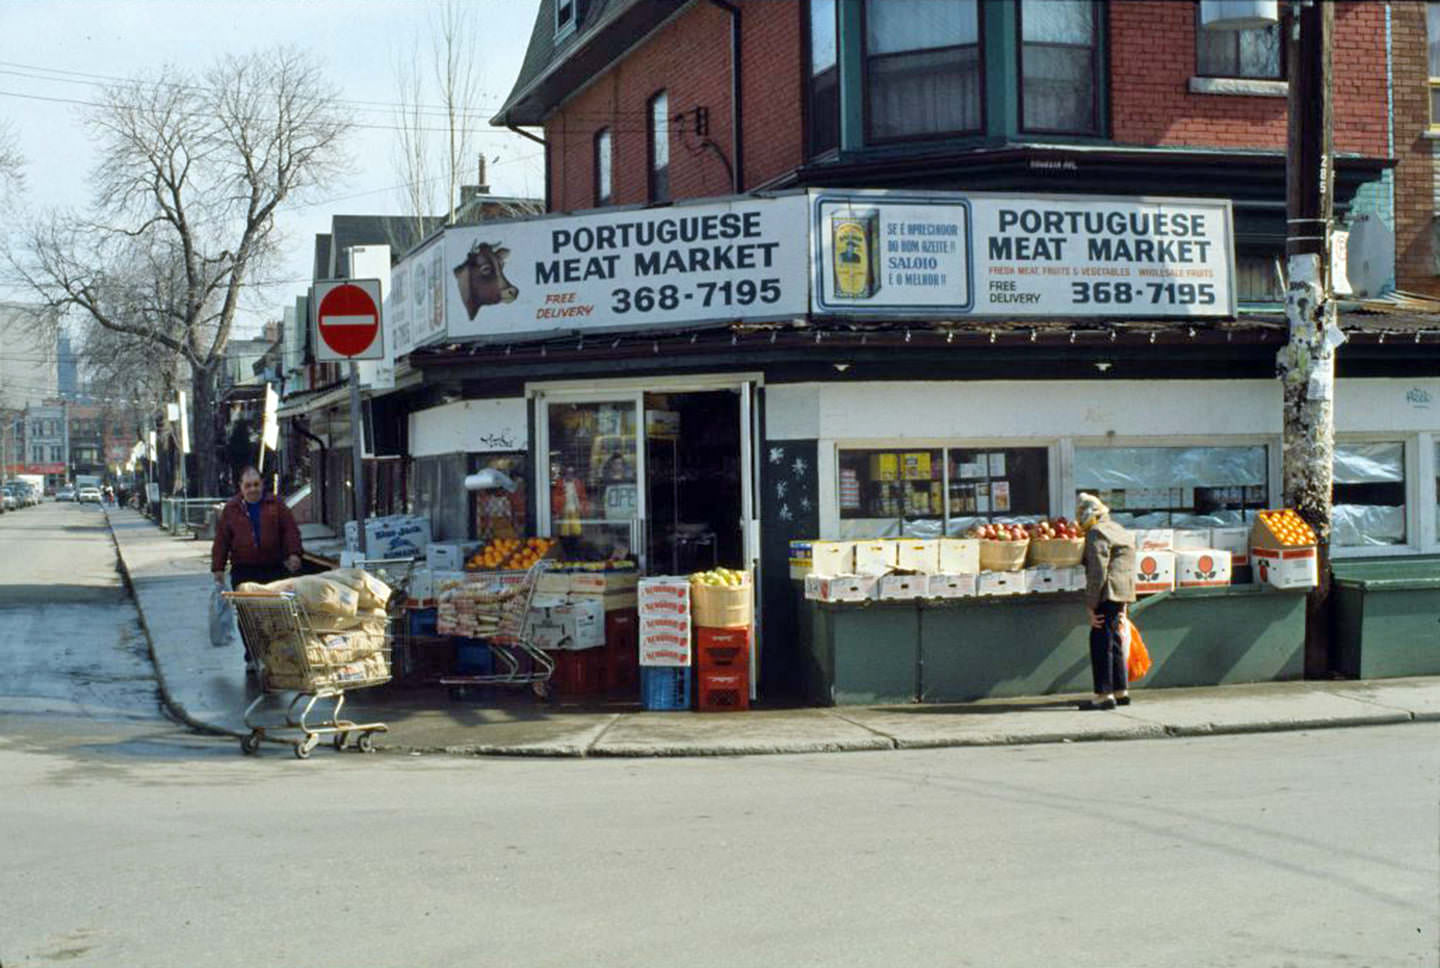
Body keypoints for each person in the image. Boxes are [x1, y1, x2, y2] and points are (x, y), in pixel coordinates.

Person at [1076, 492, 1137, 711]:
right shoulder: (1120, 530)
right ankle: (1121, 691)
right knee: (1115, 641)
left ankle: (1104, 695)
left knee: (1100, 641)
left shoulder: (1097, 532)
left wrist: (1091, 605)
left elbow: (1097, 572)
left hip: (1107, 592)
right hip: (1123, 592)